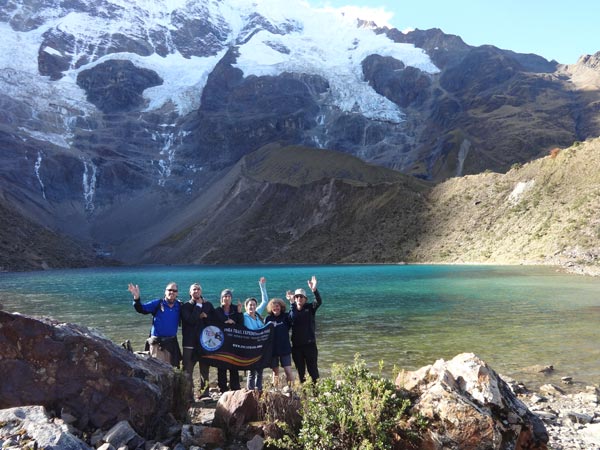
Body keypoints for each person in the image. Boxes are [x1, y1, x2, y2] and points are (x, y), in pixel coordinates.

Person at [128, 281, 182, 367]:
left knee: (174, 370)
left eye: (174, 291)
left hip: (172, 344)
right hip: (157, 344)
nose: (172, 292)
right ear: (165, 292)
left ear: (177, 293)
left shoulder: (179, 305)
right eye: (169, 290)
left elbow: (190, 314)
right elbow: (141, 309)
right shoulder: (157, 303)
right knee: (158, 371)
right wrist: (136, 298)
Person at [181, 282, 215, 400]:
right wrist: (198, 307)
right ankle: (188, 395)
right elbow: (190, 320)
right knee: (187, 370)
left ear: (201, 291)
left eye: (198, 289)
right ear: (190, 292)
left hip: (204, 343)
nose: (196, 291)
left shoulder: (208, 305)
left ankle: (204, 393)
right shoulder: (185, 306)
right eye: (194, 290)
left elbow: (214, 321)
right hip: (189, 343)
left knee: (204, 370)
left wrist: (206, 316)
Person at [289, 276, 322, 383]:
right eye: (297, 297)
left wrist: (314, 290)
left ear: (305, 299)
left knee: (313, 371)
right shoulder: (291, 312)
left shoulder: (310, 308)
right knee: (300, 372)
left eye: (301, 297)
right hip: (297, 347)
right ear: (294, 299)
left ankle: (317, 395)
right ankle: (304, 396)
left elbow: (319, 301)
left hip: (310, 346)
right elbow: (290, 320)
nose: (299, 298)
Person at [214, 288, 243, 393]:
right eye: (224, 296)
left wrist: (238, 314)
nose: (226, 298)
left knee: (233, 363)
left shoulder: (236, 309)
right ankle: (222, 388)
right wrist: (225, 322)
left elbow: (241, 324)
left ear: (231, 298)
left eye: (228, 296)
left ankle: (235, 387)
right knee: (221, 365)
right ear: (221, 298)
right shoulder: (217, 310)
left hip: (233, 341)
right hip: (221, 341)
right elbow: (214, 324)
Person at [242, 277, 269, 391]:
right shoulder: (244, 316)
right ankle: (250, 392)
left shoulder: (257, 314)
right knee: (252, 371)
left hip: (260, 347)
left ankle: (259, 391)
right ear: (246, 307)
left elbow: (265, 301)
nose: (252, 307)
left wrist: (262, 286)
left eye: (254, 304)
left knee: (260, 370)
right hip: (250, 348)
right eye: (250, 305)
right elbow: (249, 330)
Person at [265, 296, 294, 387]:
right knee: (275, 372)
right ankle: (276, 390)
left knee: (288, 371)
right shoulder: (268, 319)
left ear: (281, 307)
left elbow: (293, 316)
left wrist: (291, 302)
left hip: (285, 348)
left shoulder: (286, 316)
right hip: (273, 350)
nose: (276, 308)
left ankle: (292, 390)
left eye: (278, 306)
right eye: (274, 306)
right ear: (271, 308)